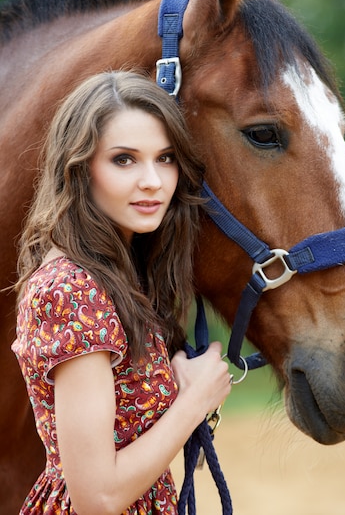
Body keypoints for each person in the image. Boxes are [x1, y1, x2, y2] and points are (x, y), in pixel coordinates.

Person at [12, 70, 232, 515]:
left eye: (165, 158)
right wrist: (194, 402)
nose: (153, 180)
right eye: (124, 159)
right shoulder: (71, 292)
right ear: (79, 168)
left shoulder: (120, 276)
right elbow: (98, 497)